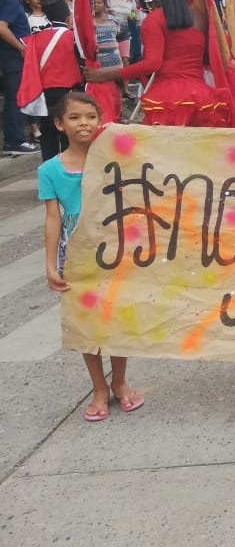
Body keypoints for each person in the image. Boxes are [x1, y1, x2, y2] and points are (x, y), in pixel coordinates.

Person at [41, 91, 144, 422]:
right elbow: (53, 219)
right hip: (77, 258)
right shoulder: (50, 170)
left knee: (117, 317)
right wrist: (50, 265)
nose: (83, 124)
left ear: (101, 121)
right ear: (59, 124)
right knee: (85, 323)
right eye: (74, 118)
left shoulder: (115, 160)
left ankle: (120, 382)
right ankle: (99, 388)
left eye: (90, 117)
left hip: (115, 252)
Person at [84, 0, 229, 127]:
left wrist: (105, 75)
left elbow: (152, 63)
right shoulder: (201, 17)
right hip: (200, 94)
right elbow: (211, 55)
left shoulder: (154, 19)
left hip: (168, 95)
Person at [17, 0, 80, 160]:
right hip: (68, 92)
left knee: (48, 133)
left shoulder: (35, 37)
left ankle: (48, 169)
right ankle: (68, 167)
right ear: (67, 16)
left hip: (44, 93)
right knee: (68, 132)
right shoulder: (72, 37)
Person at [0, 0, 37, 153]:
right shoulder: (10, 1)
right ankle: (14, 141)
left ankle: (16, 140)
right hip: (12, 58)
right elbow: (1, 27)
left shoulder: (15, 2)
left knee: (17, 97)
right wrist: (21, 47)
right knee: (15, 97)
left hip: (14, 57)